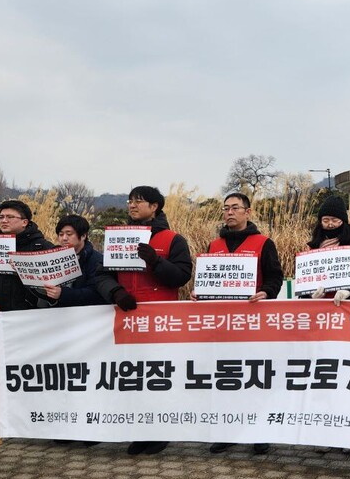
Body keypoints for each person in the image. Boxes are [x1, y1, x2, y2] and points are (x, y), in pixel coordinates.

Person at [93, 186, 193, 456]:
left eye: (139, 201)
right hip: (127, 319)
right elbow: (101, 275)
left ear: (155, 207)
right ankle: (138, 429)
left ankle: (159, 431)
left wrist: (155, 262)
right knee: (132, 377)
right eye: (130, 201)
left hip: (161, 322)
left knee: (158, 377)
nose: (132, 206)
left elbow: (182, 276)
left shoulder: (173, 239)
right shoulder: (118, 238)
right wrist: (116, 292)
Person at [203, 192, 283, 456]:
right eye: (226, 208)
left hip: (253, 323)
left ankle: (260, 432)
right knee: (226, 378)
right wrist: (199, 293)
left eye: (235, 208)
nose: (229, 212)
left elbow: (275, 277)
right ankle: (227, 431)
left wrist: (267, 292)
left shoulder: (263, 243)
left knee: (254, 377)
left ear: (248, 212)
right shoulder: (214, 245)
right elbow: (207, 280)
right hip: (223, 325)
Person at [0, 200, 56, 321]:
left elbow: (56, 281)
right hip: (0, 318)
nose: (4, 220)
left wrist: (25, 270)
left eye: (10, 217)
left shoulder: (43, 247)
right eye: (1, 217)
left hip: (35, 319)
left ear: (24, 222)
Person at [303, 196, 350, 303]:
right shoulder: (311, 250)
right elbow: (303, 283)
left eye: (335, 220)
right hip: (319, 310)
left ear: (343, 221)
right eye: (325, 220)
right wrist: (309, 294)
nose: (330, 224)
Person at [43, 215, 107, 307]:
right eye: (61, 234)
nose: (64, 238)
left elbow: (96, 293)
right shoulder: (53, 257)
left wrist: (63, 294)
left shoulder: (96, 260)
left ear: (83, 236)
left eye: (69, 234)